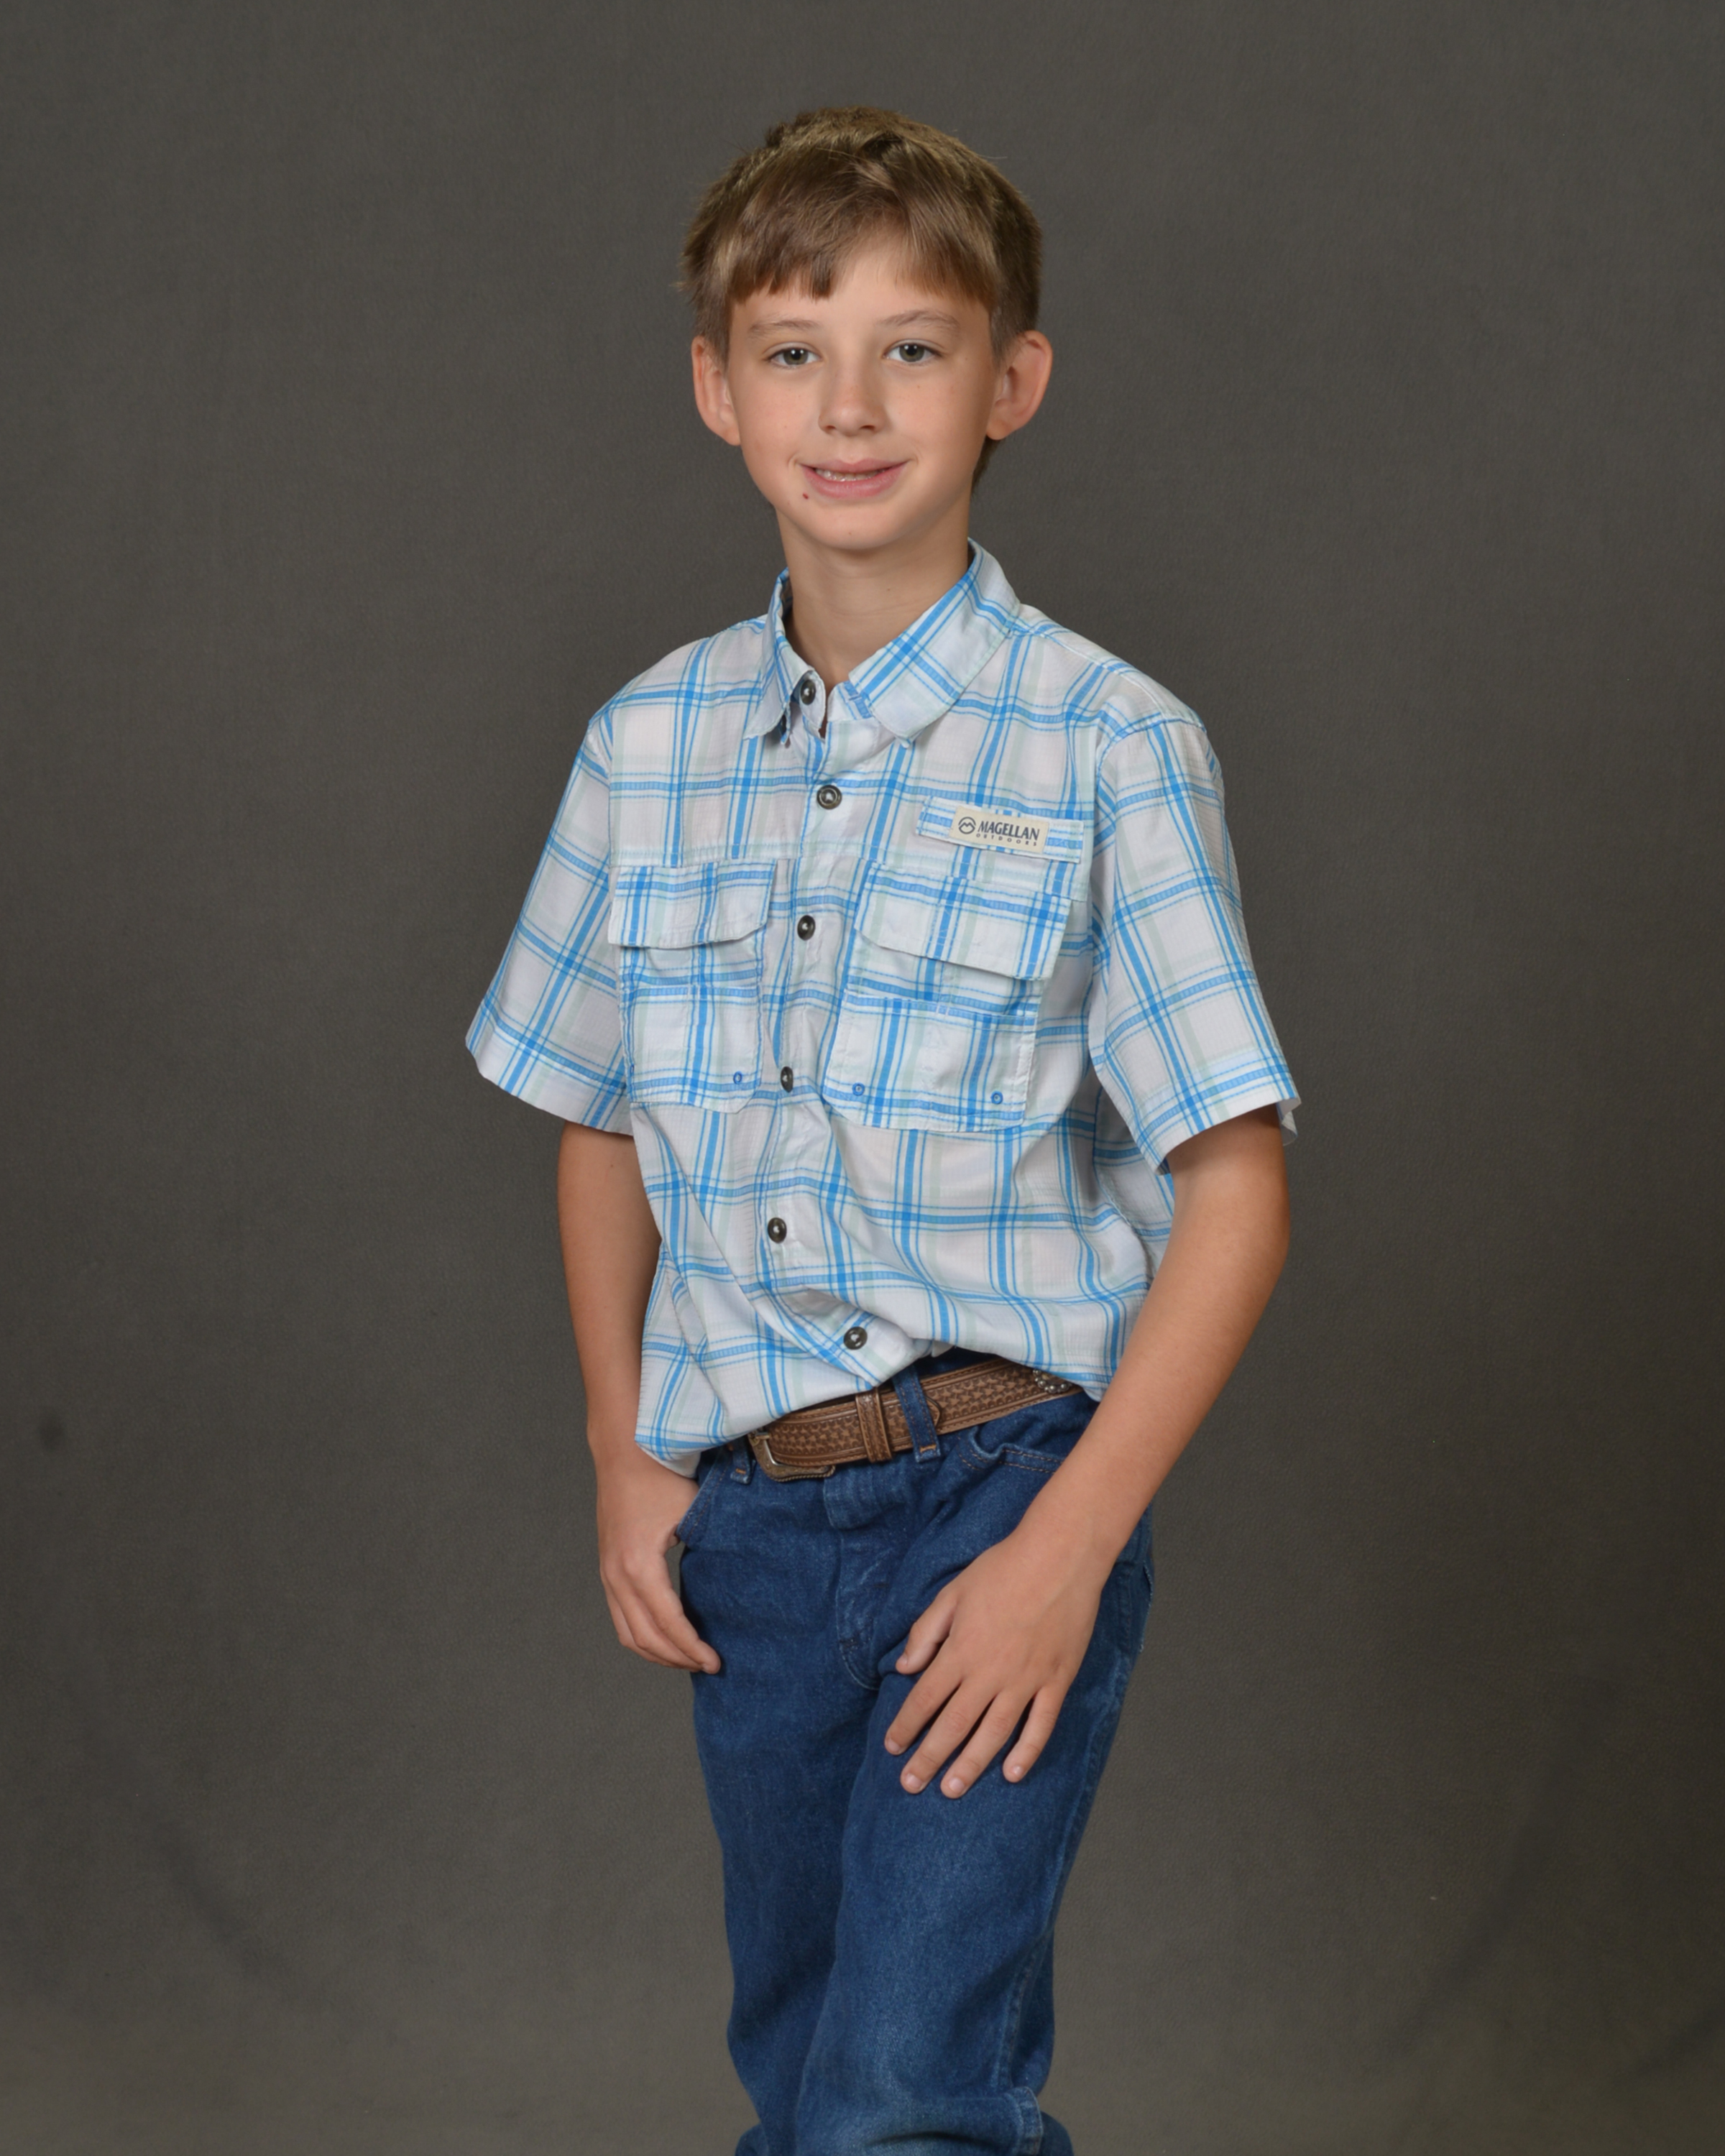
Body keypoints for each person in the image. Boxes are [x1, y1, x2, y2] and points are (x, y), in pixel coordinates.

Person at [467, 105, 1297, 2156]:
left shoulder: (1109, 746)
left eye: (913, 348)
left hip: (1000, 1493)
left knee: (904, 2099)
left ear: (1011, 381)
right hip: (749, 1517)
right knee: (807, 2063)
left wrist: (1065, 1551)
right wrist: (626, 1453)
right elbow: (598, 1122)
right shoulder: (647, 745)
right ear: (717, 388)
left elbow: (1236, 1192)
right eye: (793, 350)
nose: (849, 406)